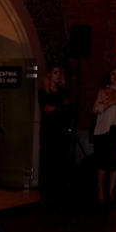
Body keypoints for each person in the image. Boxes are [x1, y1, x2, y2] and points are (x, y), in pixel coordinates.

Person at [92, 64, 116, 201]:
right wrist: (110, 103)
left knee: (115, 163)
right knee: (103, 162)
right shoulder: (103, 92)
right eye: (113, 74)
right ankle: (101, 192)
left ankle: (111, 192)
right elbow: (96, 109)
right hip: (104, 130)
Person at [38, 64, 72, 202]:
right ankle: (46, 189)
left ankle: (59, 189)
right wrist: (61, 106)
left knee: (61, 158)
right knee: (47, 158)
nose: (58, 75)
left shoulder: (64, 92)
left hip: (61, 130)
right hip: (48, 130)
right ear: (49, 75)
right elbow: (47, 109)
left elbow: (67, 109)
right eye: (55, 72)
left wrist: (58, 107)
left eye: (59, 73)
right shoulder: (43, 92)